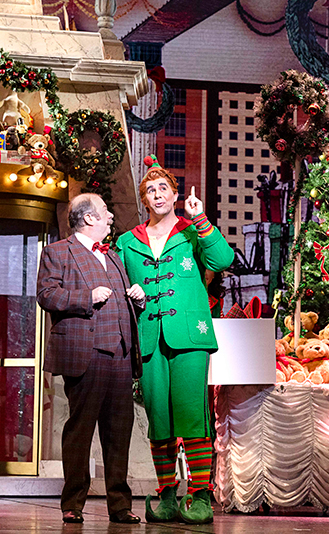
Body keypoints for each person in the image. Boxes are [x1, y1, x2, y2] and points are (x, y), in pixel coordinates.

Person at [116, 156, 234, 525]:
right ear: (144, 200)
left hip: (190, 337)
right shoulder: (126, 242)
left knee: (192, 416)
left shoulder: (192, 233)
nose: (157, 194)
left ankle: (199, 494)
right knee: (159, 419)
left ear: (174, 194)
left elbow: (223, 258)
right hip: (150, 337)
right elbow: (118, 283)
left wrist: (200, 219)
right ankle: (167, 493)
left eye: (163, 188)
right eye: (150, 190)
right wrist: (132, 296)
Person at [37, 193, 145, 525]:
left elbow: (121, 301)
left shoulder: (113, 256)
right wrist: (87, 297)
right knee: (80, 432)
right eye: (105, 211)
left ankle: (120, 505)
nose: (110, 216)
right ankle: (73, 503)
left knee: (119, 433)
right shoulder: (58, 252)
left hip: (120, 355)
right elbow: (46, 294)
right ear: (88, 218)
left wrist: (137, 299)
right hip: (86, 353)